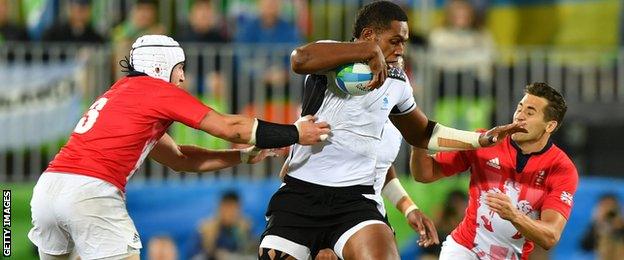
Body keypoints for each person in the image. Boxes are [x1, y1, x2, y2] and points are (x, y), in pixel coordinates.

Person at [257, 1, 526, 259]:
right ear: (368, 35)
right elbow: (299, 59)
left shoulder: (397, 81)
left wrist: (480, 139)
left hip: (356, 198)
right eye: (394, 41)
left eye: (404, 43)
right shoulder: (330, 55)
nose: (400, 50)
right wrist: (367, 51)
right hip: (301, 193)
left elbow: (421, 134)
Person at [28, 34, 330, 260]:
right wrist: (294, 132)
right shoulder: (157, 91)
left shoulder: (120, 93)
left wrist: (239, 156)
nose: (183, 76)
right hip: (90, 194)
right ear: (161, 66)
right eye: (180, 67)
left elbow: (180, 158)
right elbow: (230, 127)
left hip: (48, 191)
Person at [410, 82, 578, 259]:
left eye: (530, 113)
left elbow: (550, 237)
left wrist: (514, 215)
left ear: (549, 126)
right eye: (519, 108)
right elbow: (424, 174)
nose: (520, 116)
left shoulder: (561, 169)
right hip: (464, 248)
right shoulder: (485, 141)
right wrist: (418, 142)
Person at [194, 190, 255, 260]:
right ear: (219, 208)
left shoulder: (246, 227)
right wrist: (209, 247)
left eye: (233, 208)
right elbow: (194, 256)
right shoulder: (205, 229)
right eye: (226, 207)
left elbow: (253, 253)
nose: (229, 212)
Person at [580, 193, 624, 260]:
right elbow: (585, 246)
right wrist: (596, 223)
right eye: (605, 205)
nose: (609, 210)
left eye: (611, 206)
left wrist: (620, 225)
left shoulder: (621, 223)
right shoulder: (597, 225)